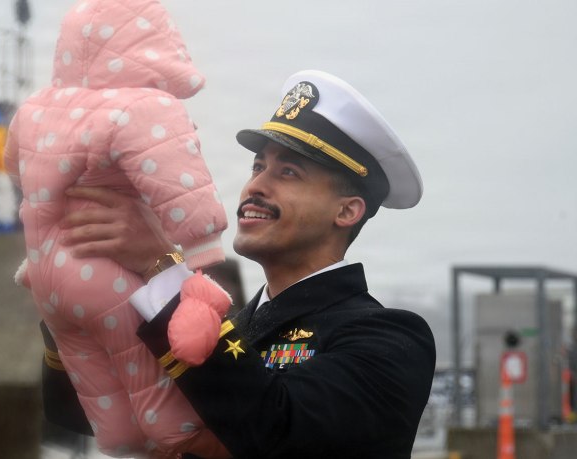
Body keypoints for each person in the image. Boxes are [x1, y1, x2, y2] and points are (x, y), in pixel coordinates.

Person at [50, 69, 437, 458]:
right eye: (258, 167)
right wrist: (81, 283)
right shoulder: (233, 329)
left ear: (347, 210)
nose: (255, 186)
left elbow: (278, 430)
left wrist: (159, 264)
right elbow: (81, 411)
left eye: (288, 172)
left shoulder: (389, 338)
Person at [5, 0, 229, 457]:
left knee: (97, 386)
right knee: (145, 377)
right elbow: (178, 181)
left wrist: (44, 241)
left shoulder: (33, 110)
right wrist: (201, 250)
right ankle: (176, 437)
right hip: (109, 281)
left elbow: (17, 173)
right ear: (152, 43)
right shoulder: (144, 106)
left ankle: (120, 443)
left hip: (48, 280)